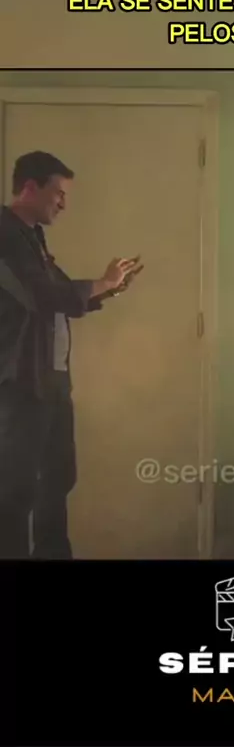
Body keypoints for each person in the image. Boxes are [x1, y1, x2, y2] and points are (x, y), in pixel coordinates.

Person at [0, 150, 144, 559]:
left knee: (58, 478)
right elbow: (43, 296)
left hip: (52, 379)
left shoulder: (32, 237)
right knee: (17, 490)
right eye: (59, 193)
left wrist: (109, 287)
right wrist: (103, 282)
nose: (63, 203)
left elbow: (61, 293)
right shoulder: (6, 233)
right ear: (30, 187)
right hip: (23, 382)